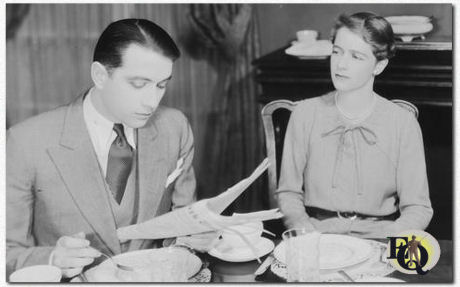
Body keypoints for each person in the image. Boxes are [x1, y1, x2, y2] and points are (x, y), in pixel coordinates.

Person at [6, 18, 216, 279]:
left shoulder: (175, 127)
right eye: (139, 84)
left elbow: (185, 223)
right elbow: (6, 251)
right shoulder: (24, 142)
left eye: (161, 85)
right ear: (100, 76)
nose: (152, 101)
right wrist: (51, 258)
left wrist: (193, 240)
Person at [276, 12, 433, 238]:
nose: (341, 64)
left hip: (382, 237)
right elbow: (288, 193)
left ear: (379, 66)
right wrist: (304, 229)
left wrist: (394, 233)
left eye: (356, 57)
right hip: (316, 236)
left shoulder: (402, 123)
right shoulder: (304, 114)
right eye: (336, 52)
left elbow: (418, 208)